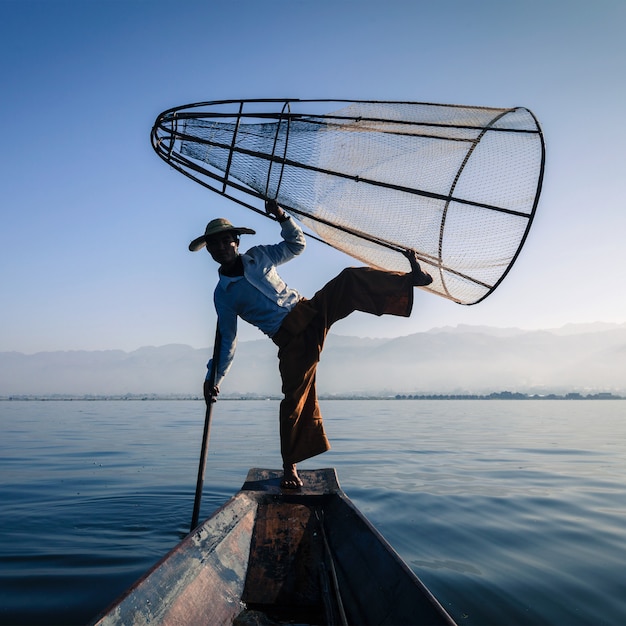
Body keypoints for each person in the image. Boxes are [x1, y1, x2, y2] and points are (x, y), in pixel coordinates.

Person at [189, 200, 433, 489]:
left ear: (236, 242)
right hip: (289, 340)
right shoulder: (224, 294)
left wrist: (281, 216)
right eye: (214, 246)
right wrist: (213, 377)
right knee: (294, 401)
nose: (220, 249)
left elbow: (296, 244)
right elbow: (227, 339)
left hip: (309, 310)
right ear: (211, 253)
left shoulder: (260, 256)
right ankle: (289, 465)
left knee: (349, 279)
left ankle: (408, 280)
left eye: (225, 242)